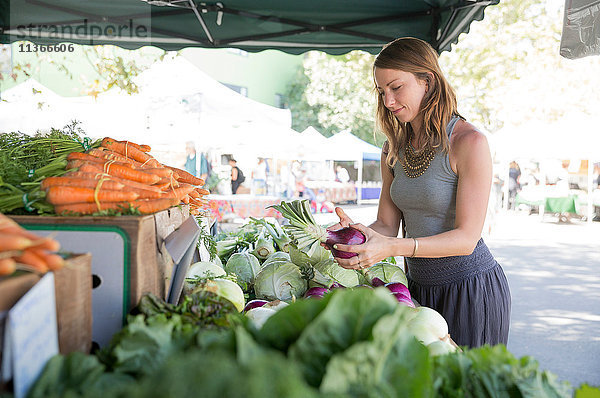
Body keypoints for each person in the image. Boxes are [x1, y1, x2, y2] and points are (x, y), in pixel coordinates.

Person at [325, 37, 511, 348]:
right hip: (416, 290)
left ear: (428, 81)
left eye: (396, 87)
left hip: (469, 289)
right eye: (381, 91)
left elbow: (466, 239)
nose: (387, 100)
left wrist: (391, 247)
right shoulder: (392, 150)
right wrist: (352, 238)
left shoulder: (470, 143)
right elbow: (386, 224)